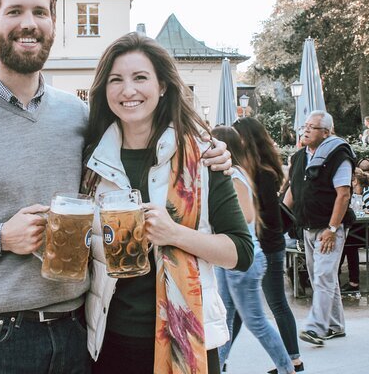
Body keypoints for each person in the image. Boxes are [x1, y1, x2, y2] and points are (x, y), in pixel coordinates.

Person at [0, 0, 232, 374]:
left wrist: (210, 152)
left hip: (78, 334)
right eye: (14, 11)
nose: (29, 23)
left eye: (41, 13)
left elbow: (146, 135)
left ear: (54, 24)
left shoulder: (79, 116)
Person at [83, 35, 253, 374]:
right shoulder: (90, 160)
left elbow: (240, 253)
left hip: (188, 336)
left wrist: (174, 233)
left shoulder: (202, 157)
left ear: (162, 86)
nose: (127, 90)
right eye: (115, 80)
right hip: (110, 340)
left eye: (140, 78)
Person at [207, 126, 291, 374]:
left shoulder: (234, 175)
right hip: (230, 259)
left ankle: (288, 368)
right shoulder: (233, 172)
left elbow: (246, 215)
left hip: (244, 261)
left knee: (256, 322)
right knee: (224, 321)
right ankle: (218, 367)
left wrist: (215, 219)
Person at [231, 117, 303, 373]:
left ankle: (293, 359)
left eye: (236, 136)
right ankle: (222, 358)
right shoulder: (257, 169)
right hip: (264, 244)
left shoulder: (260, 172)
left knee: (276, 304)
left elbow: (268, 217)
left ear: (246, 139)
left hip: (267, 246)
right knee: (239, 309)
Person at [283, 110, 355, 346]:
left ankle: (316, 327)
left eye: (312, 127)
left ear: (326, 132)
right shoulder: (299, 157)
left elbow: (343, 194)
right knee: (320, 278)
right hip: (307, 226)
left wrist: (333, 230)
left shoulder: (338, 156)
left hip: (329, 228)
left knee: (323, 275)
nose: (305, 130)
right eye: (305, 125)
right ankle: (335, 325)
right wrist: (280, 218)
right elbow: (293, 191)